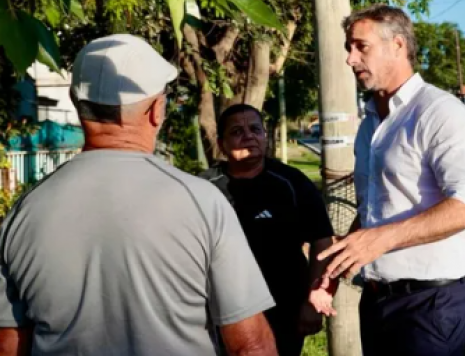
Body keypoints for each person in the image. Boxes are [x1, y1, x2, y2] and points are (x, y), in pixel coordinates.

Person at [0, 34, 277, 356]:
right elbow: (250, 346)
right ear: (156, 111)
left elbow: (8, 345)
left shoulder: (24, 213)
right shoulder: (203, 202)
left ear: (77, 106)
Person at [314, 4, 465, 356]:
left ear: (397, 45)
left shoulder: (439, 113)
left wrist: (378, 240)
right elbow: (374, 212)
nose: (350, 59)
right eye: (349, 47)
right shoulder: (370, 123)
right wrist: (333, 272)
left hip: (431, 304)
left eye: (360, 46)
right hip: (377, 300)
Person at [200, 104, 336, 355]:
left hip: (285, 307)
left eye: (255, 129)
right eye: (237, 131)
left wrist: (313, 300)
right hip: (223, 309)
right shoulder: (203, 188)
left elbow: (322, 241)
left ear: (265, 136)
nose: (248, 136)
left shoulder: (292, 183)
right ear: (221, 143)